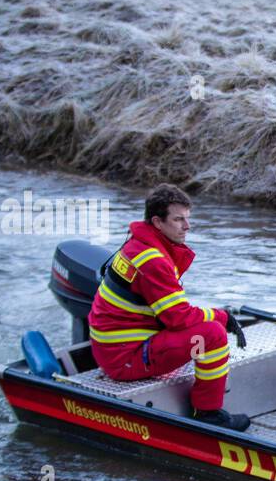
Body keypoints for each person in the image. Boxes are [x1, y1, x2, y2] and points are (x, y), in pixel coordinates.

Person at [87, 184, 250, 431]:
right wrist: (221, 316)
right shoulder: (152, 261)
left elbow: (170, 311)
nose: (187, 226)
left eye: (187, 219)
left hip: (114, 347)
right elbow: (177, 317)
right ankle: (207, 414)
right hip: (125, 358)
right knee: (213, 335)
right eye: (178, 219)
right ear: (157, 222)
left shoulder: (138, 244)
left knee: (206, 326)